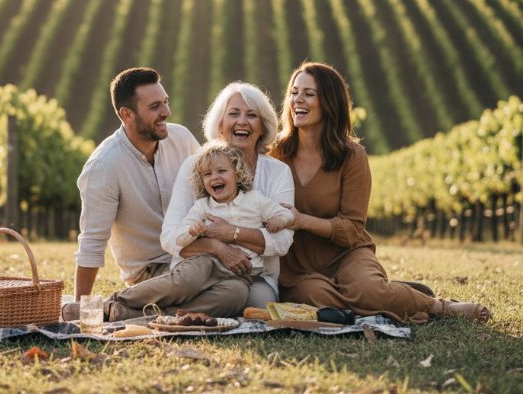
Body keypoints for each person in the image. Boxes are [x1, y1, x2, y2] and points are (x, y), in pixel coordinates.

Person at [270, 62, 492, 324]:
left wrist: (303, 221)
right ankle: (390, 297)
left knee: (368, 291)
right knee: (313, 296)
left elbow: (352, 228)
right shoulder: (275, 154)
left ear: (329, 102)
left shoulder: (352, 156)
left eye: (309, 94)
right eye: (294, 92)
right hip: (299, 267)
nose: (298, 100)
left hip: (346, 254)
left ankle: (439, 306)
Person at [64, 67, 199, 321]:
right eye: (155, 106)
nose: (166, 112)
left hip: (194, 254)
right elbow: (92, 241)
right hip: (150, 272)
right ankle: (117, 304)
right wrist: (80, 306)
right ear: (127, 114)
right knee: (200, 280)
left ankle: (124, 311)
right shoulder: (104, 166)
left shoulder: (182, 139)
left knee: (235, 292)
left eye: (166, 102)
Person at [104, 142, 294, 315]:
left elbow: (287, 214)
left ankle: (133, 314)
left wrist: (280, 219)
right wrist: (191, 231)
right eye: (207, 174)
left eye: (221, 171)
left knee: (235, 297)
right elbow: (177, 237)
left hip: (241, 276)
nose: (215, 177)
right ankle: (117, 300)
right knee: (184, 282)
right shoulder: (202, 206)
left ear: (237, 174)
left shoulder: (255, 200)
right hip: (206, 263)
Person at [162, 82, 295, 310]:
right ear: (221, 124)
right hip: (200, 268)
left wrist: (232, 233)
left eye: (251, 115)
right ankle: (137, 306)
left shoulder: (278, 172)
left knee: (258, 304)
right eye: (234, 113)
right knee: (210, 290)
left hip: (254, 274)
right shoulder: (194, 166)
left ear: (262, 127)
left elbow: (283, 241)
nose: (242, 121)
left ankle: (162, 312)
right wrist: (218, 247)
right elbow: (169, 238)